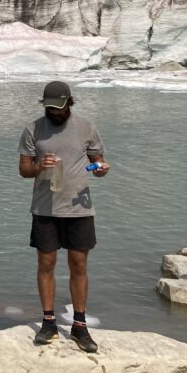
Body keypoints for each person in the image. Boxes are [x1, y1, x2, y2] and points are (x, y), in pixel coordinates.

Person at [18, 81, 110, 353]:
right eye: (50, 108)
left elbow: (97, 163)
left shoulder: (86, 127)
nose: (55, 113)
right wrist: (38, 166)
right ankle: (48, 322)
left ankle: (79, 325)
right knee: (46, 263)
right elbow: (23, 170)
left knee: (78, 264)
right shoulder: (33, 129)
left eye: (59, 108)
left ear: (70, 102)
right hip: (45, 208)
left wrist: (101, 168)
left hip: (79, 208)